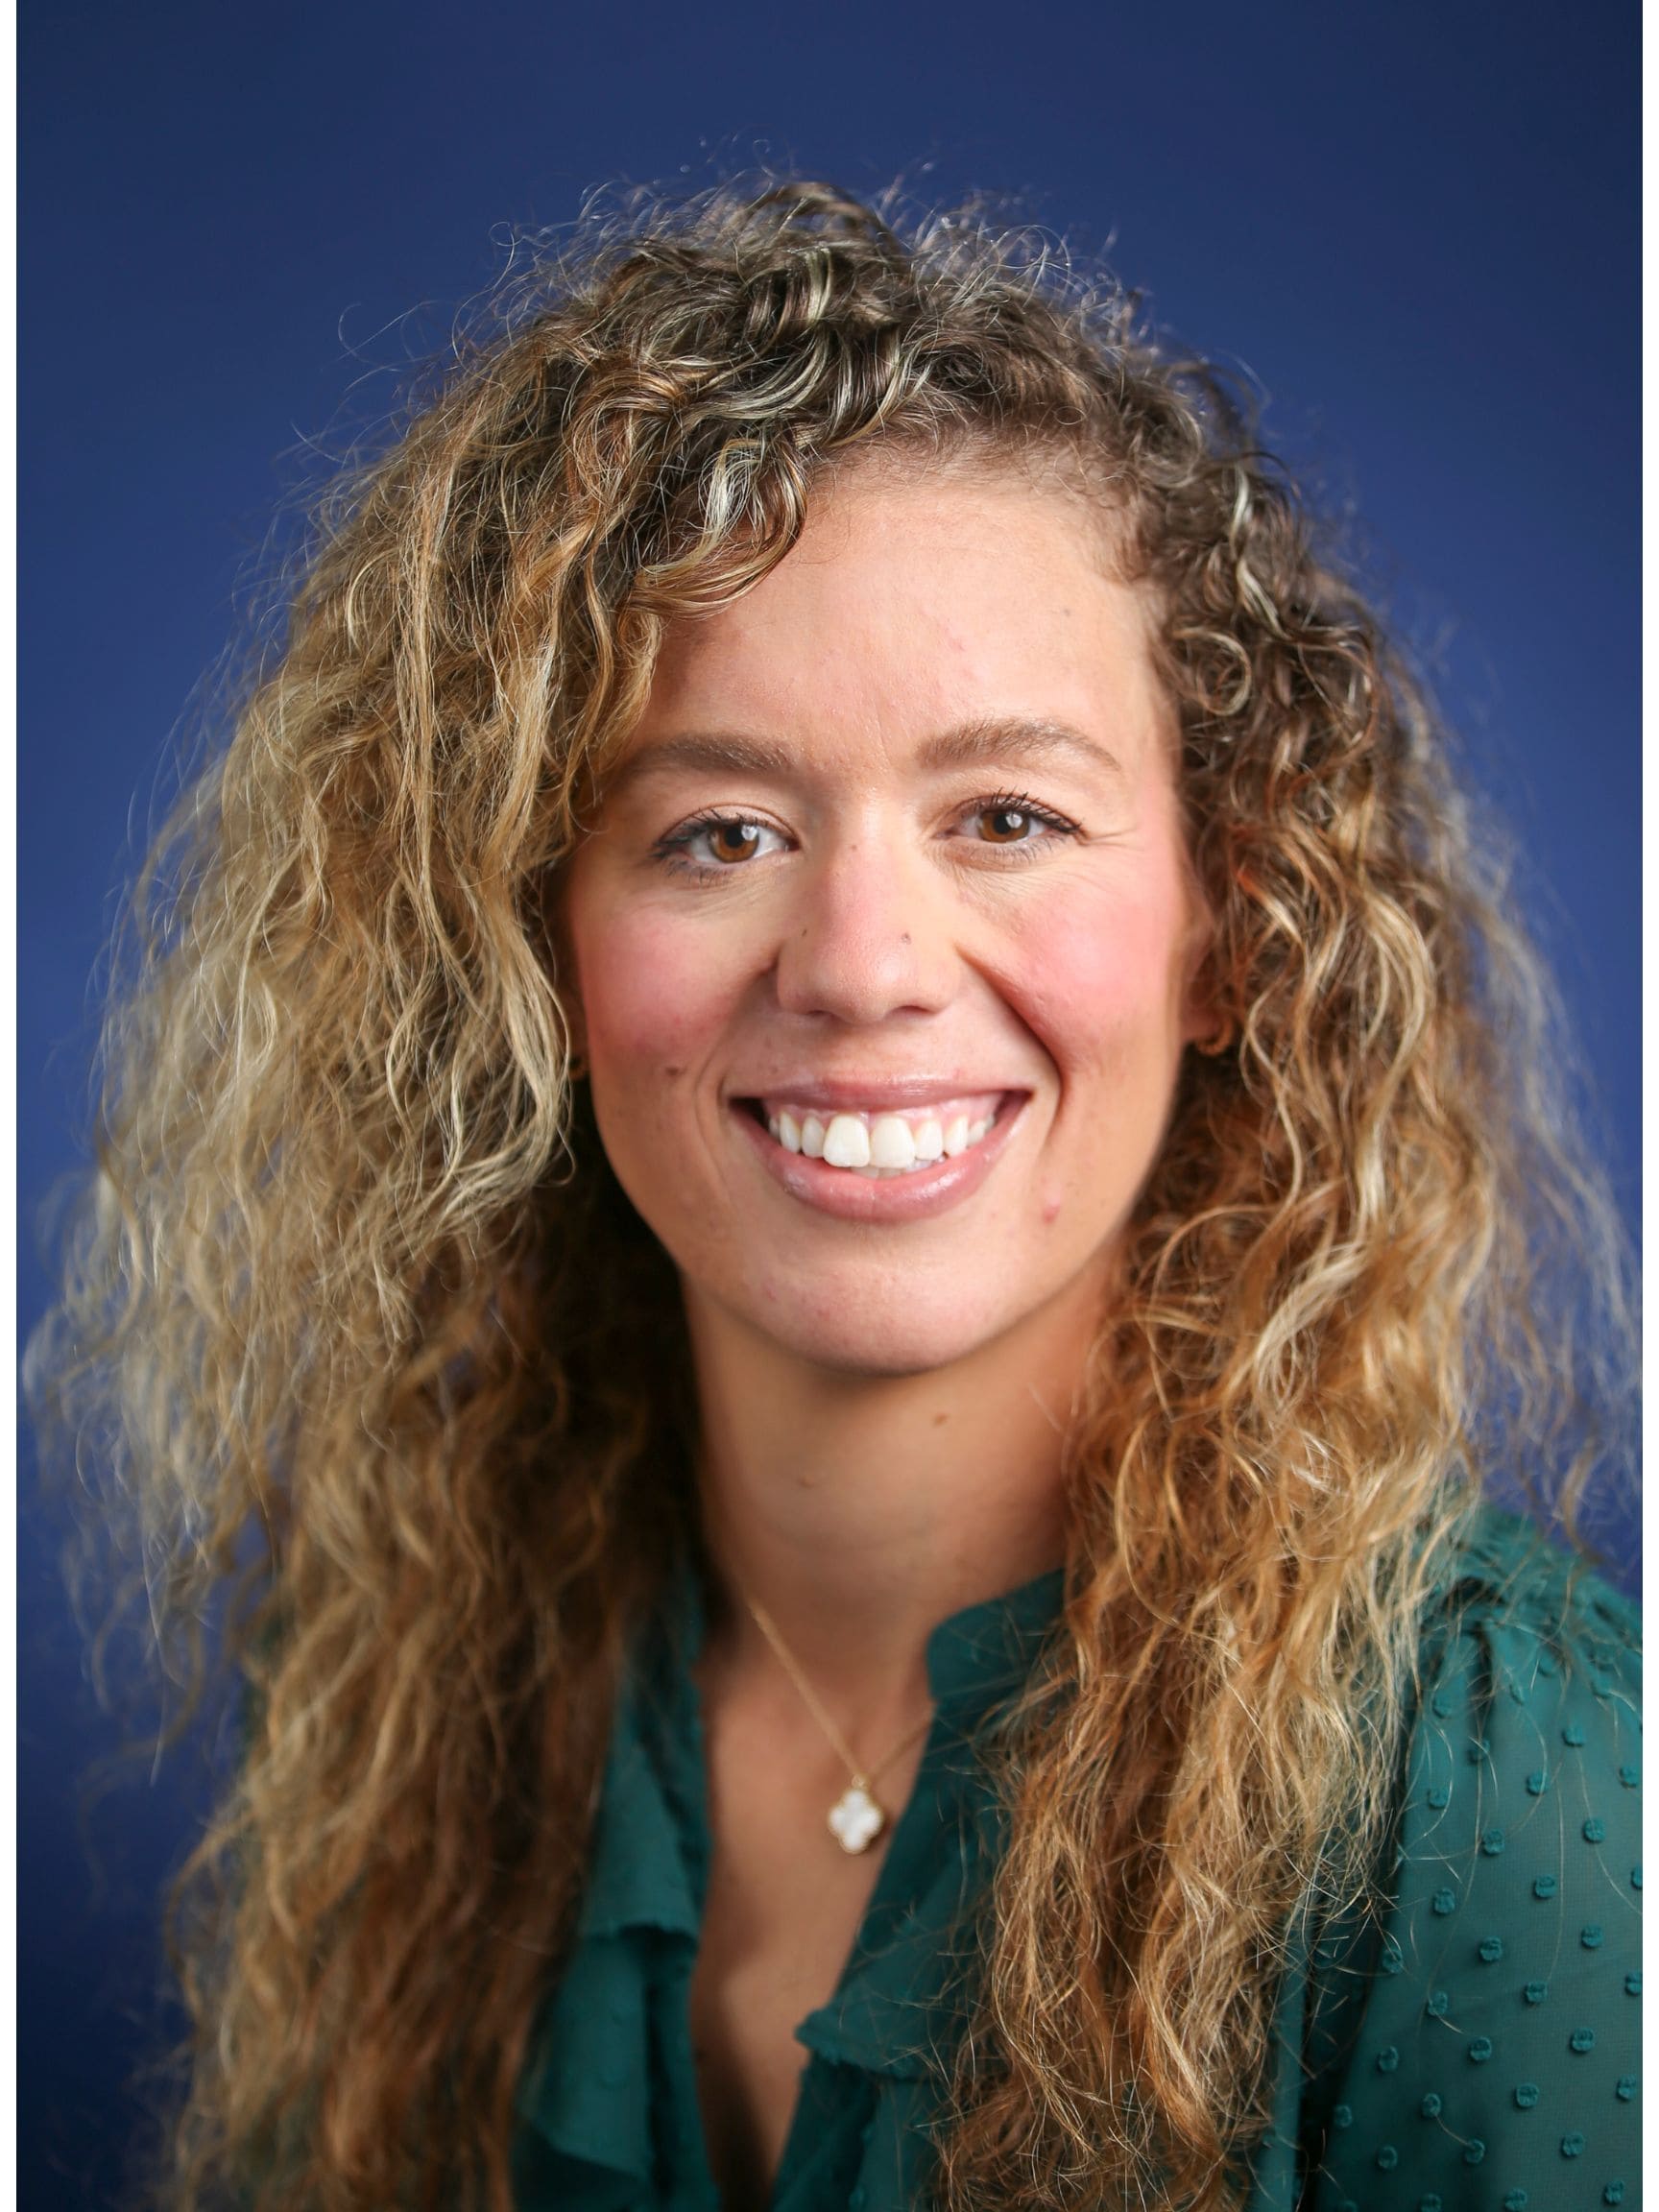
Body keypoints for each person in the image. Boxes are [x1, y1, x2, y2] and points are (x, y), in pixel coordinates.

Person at [28, 180, 1639, 2212]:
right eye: (718, 831)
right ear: (530, 945)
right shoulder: (413, 1693)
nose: (862, 962)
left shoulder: (1512, 1798)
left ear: (1232, 927)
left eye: (1010, 816)